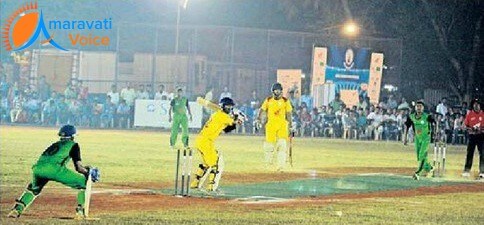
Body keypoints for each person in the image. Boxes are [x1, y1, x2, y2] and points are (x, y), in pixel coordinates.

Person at [7, 125, 99, 219]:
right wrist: (88, 173)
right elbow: (79, 168)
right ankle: (80, 212)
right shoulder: (73, 145)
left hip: (38, 169)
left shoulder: (55, 144)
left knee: (33, 189)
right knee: (83, 183)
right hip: (54, 169)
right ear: (72, 136)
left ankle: (16, 210)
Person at [190, 97, 241, 191]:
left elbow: (227, 129)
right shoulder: (223, 116)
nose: (229, 108)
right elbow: (232, 124)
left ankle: (195, 184)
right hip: (206, 142)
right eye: (227, 106)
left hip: (202, 141)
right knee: (215, 165)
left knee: (206, 164)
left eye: (231, 107)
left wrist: (235, 120)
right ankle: (211, 188)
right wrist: (237, 120)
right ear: (222, 106)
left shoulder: (218, 114)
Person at [256, 83, 293, 171]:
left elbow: (289, 113)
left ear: (281, 91)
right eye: (275, 90)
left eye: (279, 90)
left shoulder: (285, 101)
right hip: (271, 126)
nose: (277, 92)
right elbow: (262, 110)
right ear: (273, 92)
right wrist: (258, 119)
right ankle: (268, 165)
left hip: (282, 126)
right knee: (269, 147)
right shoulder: (268, 100)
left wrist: (290, 125)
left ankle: (281, 167)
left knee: (282, 146)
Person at [403, 100, 436, 180]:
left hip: (426, 138)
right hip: (417, 138)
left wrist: (435, 133)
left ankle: (417, 172)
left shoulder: (427, 116)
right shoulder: (411, 116)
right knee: (419, 156)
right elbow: (407, 127)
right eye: (417, 106)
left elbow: (435, 123)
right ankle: (429, 167)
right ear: (415, 107)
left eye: (420, 106)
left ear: (423, 108)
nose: (419, 108)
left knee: (422, 154)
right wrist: (405, 138)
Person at [462, 99, 484, 179]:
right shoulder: (470, 114)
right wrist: (471, 129)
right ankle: (467, 170)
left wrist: (480, 129)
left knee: (483, 154)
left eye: (478, 104)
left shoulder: (483, 114)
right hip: (472, 136)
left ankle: (482, 171)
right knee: (469, 153)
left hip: (481, 137)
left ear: (480, 105)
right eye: (474, 104)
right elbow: (464, 126)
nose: (476, 106)